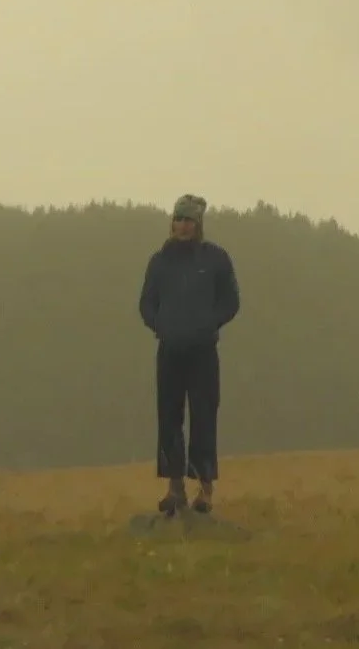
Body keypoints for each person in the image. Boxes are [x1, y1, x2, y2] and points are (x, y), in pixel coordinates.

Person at [138, 193, 240, 515]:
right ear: (171, 223)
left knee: (204, 417)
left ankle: (205, 491)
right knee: (169, 419)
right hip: (169, 351)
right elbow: (146, 304)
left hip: (203, 353)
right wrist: (160, 325)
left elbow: (231, 302)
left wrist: (209, 322)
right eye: (178, 220)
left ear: (199, 225)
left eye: (189, 221)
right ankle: (174, 489)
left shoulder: (216, 260)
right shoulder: (159, 262)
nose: (182, 226)